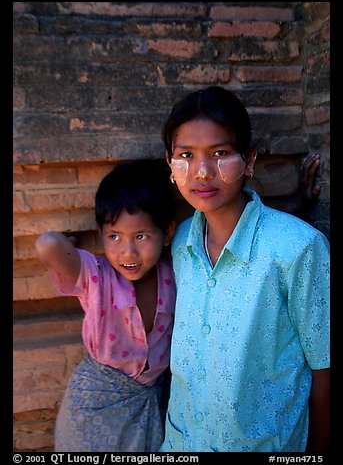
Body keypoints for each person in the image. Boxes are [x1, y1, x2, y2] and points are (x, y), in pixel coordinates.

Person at [159, 86, 330, 453]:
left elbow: (325, 365)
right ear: (170, 165)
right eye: (186, 155)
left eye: (220, 153)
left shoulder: (300, 247)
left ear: (249, 160)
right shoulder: (181, 242)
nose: (202, 172)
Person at [35, 160, 176, 452]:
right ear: (100, 236)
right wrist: (68, 244)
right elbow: (46, 245)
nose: (128, 252)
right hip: (93, 405)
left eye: (141, 236)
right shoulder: (97, 277)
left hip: (150, 401)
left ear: (168, 233)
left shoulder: (175, 275)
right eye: (114, 237)